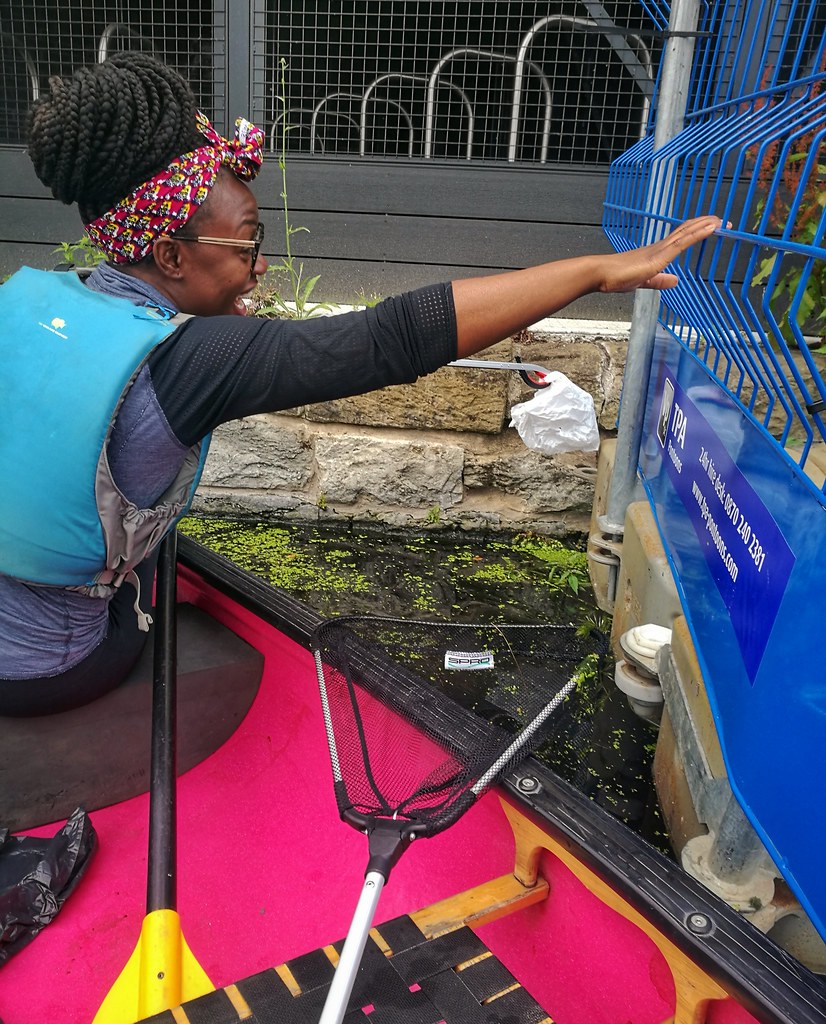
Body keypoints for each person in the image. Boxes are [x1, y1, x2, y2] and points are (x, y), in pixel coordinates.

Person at [0, 53, 721, 716]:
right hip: (49, 668)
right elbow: (390, 339)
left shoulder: (33, 299)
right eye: (248, 239)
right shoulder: (192, 360)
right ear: (168, 253)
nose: (258, 266)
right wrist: (593, 273)